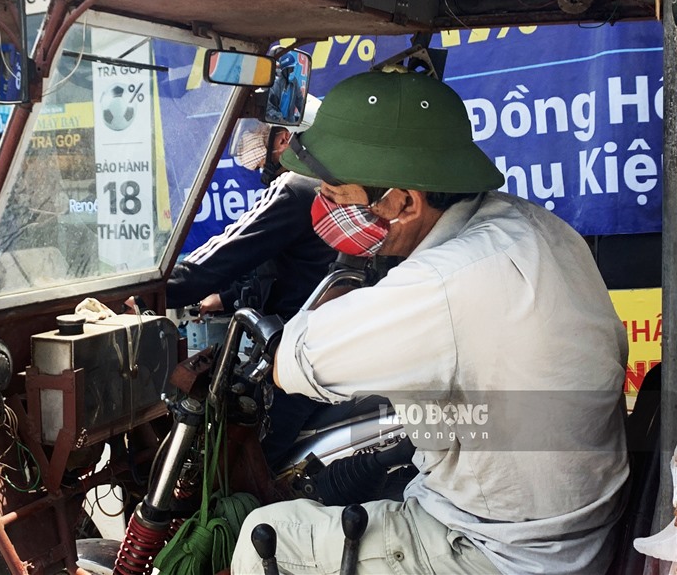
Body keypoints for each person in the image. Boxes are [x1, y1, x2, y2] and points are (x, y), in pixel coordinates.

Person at [230, 71, 629, 575]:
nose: (325, 207)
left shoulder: (443, 282)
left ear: (405, 202)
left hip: (500, 551)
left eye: (336, 194)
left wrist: (347, 277)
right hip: (573, 524)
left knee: (262, 538)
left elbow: (294, 363)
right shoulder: (535, 226)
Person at [167, 98, 339, 469]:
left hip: (300, 355)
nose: (258, 153)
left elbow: (216, 260)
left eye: (263, 138)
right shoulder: (330, 184)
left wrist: (153, 290)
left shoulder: (297, 189)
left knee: (230, 465)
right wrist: (225, 297)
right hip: (326, 342)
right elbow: (297, 269)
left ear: (287, 140)